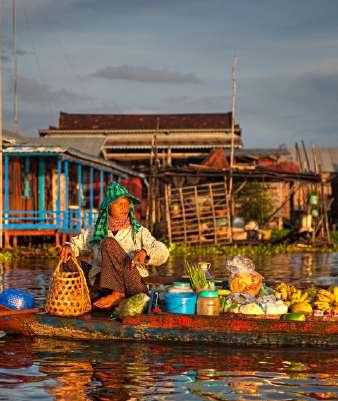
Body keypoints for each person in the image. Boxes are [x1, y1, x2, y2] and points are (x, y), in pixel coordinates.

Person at [59, 182, 169, 309]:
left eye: (127, 204)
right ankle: (88, 294)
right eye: (120, 204)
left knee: (108, 242)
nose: (124, 208)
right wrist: (68, 246)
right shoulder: (96, 230)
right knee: (68, 259)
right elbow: (77, 243)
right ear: (109, 207)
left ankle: (118, 294)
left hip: (132, 284)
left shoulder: (138, 231)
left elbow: (163, 250)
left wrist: (146, 253)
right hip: (103, 285)